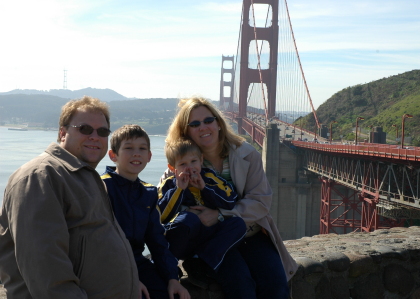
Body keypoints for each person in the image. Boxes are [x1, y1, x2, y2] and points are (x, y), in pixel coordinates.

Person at [0, 96, 141, 298]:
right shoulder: (41, 176)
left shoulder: (84, 178)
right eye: (84, 129)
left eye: (102, 132)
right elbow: (46, 269)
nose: (94, 136)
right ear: (63, 133)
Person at [160, 97, 299, 299]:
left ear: (218, 122)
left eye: (208, 120)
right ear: (186, 131)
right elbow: (161, 203)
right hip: (212, 240)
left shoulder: (247, 154)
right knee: (240, 285)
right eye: (195, 124)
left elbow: (261, 201)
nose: (203, 127)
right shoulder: (183, 164)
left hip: (250, 233)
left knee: (275, 285)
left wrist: (221, 215)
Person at [101, 124, 190, 299]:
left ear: (149, 156)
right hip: (108, 264)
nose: (136, 153)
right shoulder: (102, 187)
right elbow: (100, 241)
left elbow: (157, 240)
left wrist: (172, 278)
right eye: (128, 148)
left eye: (142, 149)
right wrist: (129, 279)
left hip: (137, 262)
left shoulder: (148, 193)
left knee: (169, 293)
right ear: (113, 156)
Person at [158, 138, 246, 288]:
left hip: (207, 239)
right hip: (182, 239)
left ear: (201, 160)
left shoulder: (209, 177)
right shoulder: (169, 184)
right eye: (182, 164)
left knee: (238, 224)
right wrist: (179, 189)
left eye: (193, 161)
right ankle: (170, 266)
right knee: (188, 219)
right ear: (173, 168)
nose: (189, 168)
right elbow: (161, 216)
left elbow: (231, 200)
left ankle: (202, 262)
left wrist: (205, 189)